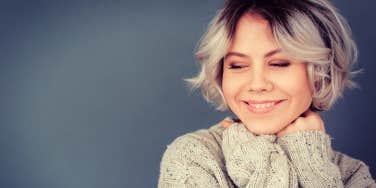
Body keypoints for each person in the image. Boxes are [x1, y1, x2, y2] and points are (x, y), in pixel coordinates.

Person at [158, 0, 376, 187]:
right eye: (237, 66)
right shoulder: (193, 157)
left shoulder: (352, 174)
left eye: (278, 63)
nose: (257, 84)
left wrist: (313, 167)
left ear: (320, 73)